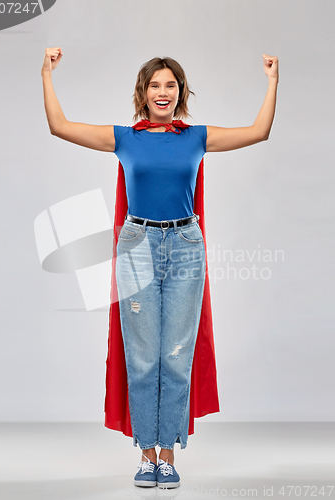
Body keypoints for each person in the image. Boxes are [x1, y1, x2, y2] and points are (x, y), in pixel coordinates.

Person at [41, 49, 279, 489]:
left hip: (186, 244)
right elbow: (60, 126)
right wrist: (46, 73)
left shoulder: (196, 137)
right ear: (143, 93)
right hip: (137, 245)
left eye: (170, 84)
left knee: (175, 356)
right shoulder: (126, 138)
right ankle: (145, 454)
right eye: (155, 85)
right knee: (144, 355)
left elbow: (259, 132)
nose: (163, 92)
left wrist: (271, 80)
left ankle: (168, 456)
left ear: (181, 91)